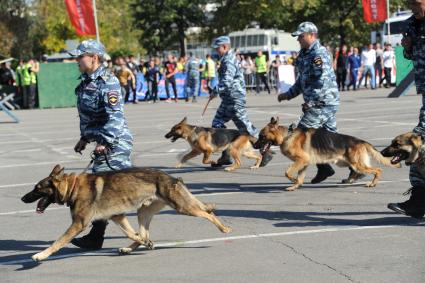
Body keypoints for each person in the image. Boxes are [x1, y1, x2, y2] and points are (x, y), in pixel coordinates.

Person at [69, 39, 134, 249]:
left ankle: (96, 237)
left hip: (116, 143)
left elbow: (115, 117)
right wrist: (85, 138)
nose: (77, 60)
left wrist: (104, 142)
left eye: (80, 57)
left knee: (99, 189)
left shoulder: (108, 82)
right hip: (103, 141)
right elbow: (90, 117)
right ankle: (97, 236)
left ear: (94, 57)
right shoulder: (87, 81)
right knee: (106, 190)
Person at [277, 22, 342, 184]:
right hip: (320, 103)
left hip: (322, 102)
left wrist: (312, 103)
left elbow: (322, 81)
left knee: (301, 134)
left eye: (301, 36)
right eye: (298, 37)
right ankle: (355, 168)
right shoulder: (305, 54)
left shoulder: (319, 54)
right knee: (332, 140)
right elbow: (302, 80)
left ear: (312, 35)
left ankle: (324, 167)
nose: (298, 39)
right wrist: (288, 95)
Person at [209, 36, 273, 167]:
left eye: (218, 48)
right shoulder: (225, 59)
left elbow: (227, 81)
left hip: (235, 98)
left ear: (225, 47)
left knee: (245, 128)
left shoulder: (229, 60)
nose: (216, 51)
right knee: (217, 125)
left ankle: (266, 151)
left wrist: (215, 91)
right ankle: (226, 154)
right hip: (228, 99)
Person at [387, 0, 425, 219]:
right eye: (409, 3)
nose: (412, 6)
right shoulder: (411, 23)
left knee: (416, 142)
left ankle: (418, 201)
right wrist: (408, 48)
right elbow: (411, 57)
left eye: (415, 2)